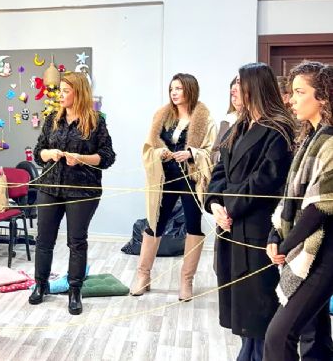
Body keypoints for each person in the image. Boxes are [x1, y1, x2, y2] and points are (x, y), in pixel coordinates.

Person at [206, 63, 296, 361]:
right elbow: (220, 171)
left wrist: (229, 206)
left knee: (258, 303)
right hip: (230, 224)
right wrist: (215, 204)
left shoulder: (279, 130)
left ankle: (255, 354)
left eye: (240, 83)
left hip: (257, 226)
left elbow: (265, 180)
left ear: (255, 87)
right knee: (239, 303)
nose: (235, 89)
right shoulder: (239, 126)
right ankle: (247, 350)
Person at [28, 72, 116, 315]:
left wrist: (81, 158)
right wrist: (49, 154)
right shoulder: (52, 119)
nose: (61, 95)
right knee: (44, 240)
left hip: (82, 190)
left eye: (66, 91)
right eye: (60, 90)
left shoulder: (96, 121)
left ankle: (75, 290)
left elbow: (107, 157)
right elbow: (38, 152)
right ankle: (41, 285)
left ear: (79, 93)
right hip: (50, 187)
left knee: (76, 241)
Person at [264, 61, 333, 361]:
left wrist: (284, 245)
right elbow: (290, 196)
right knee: (315, 338)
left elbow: (321, 206)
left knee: (279, 337)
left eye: (299, 92)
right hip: (309, 248)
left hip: (325, 251)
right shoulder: (309, 139)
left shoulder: (330, 141)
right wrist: (274, 235)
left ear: (324, 97)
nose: (291, 100)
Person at [130, 73, 216, 300]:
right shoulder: (162, 115)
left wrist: (191, 153)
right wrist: (161, 152)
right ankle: (143, 275)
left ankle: (187, 280)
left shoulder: (205, 119)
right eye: (171, 89)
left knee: (193, 225)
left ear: (190, 89)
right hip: (164, 177)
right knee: (155, 223)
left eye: (178, 88)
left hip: (190, 178)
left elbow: (211, 151)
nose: (174, 93)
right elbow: (149, 146)